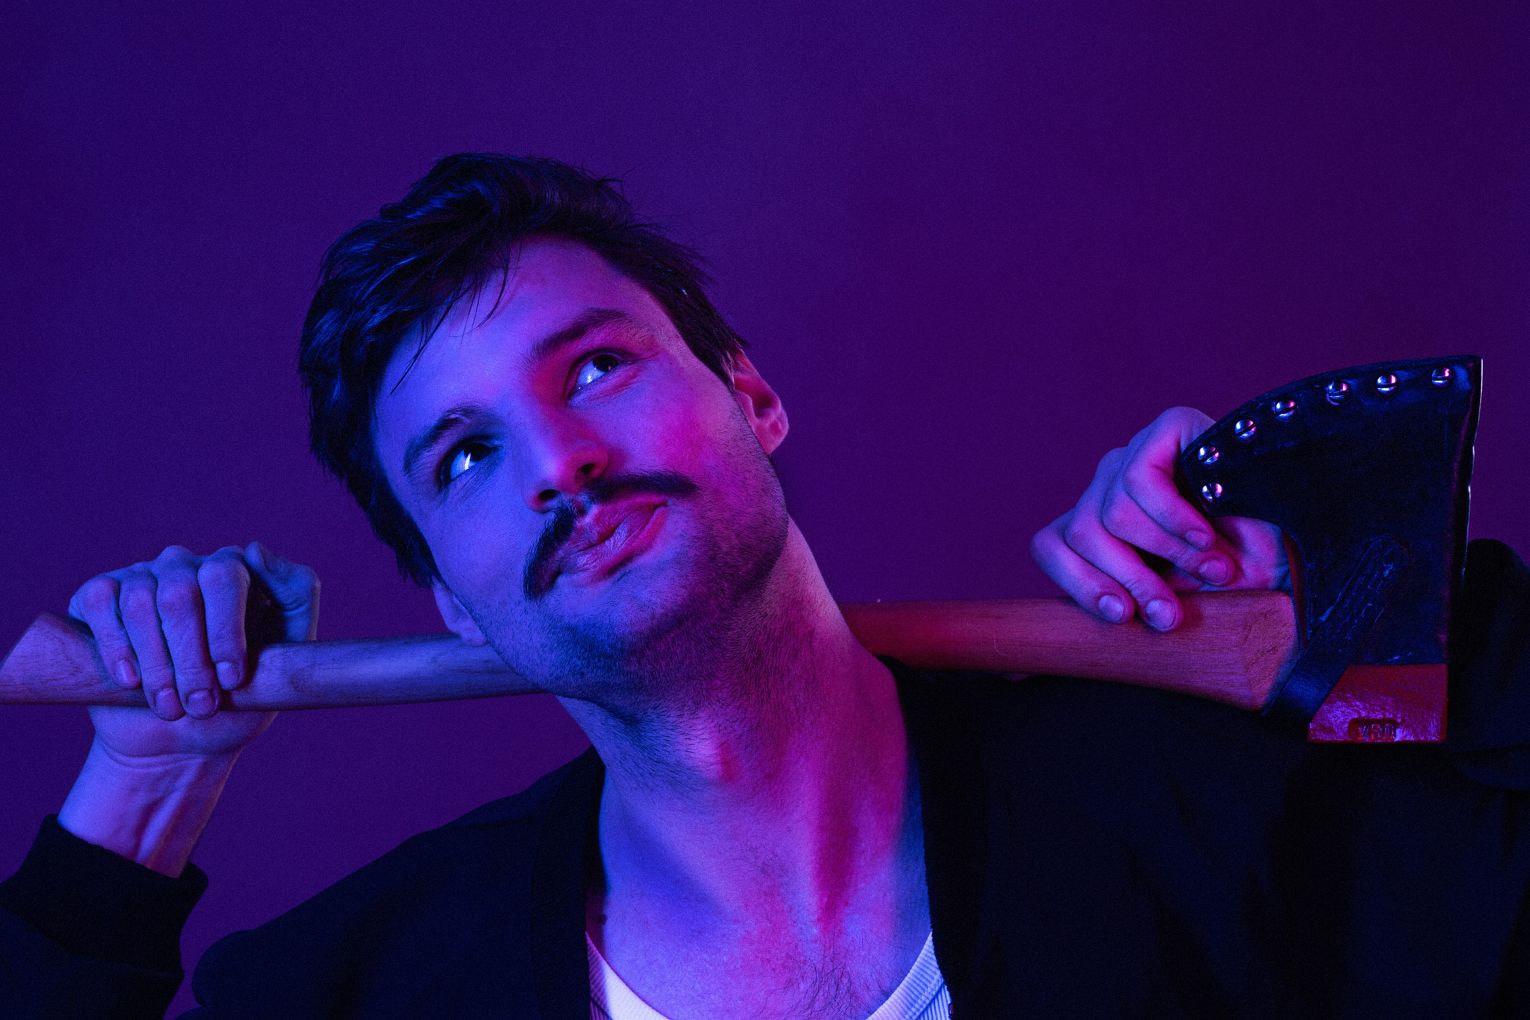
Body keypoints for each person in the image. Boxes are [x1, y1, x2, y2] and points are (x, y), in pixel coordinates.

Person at [2, 154, 1527, 1018]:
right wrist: (142, 787)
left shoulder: (1205, 822)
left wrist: (1354, 607)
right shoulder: (348, 994)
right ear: (449, 596)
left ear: (749, 393)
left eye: (595, 368)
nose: (558, 463)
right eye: (464, 458)